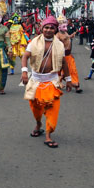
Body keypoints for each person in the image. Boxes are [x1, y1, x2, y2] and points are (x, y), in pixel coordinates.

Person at [21, 16, 71, 147]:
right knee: (35, 108)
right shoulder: (34, 42)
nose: (48, 30)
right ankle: (38, 124)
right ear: (42, 28)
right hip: (36, 81)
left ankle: (48, 135)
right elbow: (25, 56)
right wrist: (24, 71)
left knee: (52, 109)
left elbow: (64, 63)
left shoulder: (59, 45)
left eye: (51, 28)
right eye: (46, 27)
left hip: (52, 81)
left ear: (55, 30)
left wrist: (68, 79)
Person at [55, 15, 81, 93]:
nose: (65, 27)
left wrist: (70, 36)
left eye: (65, 26)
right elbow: (56, 46)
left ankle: (76, 85)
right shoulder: (57, 35)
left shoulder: (65, 33)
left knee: (73, 70)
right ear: (59, 27)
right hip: (61, 56)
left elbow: (67, 39)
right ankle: (58, 83)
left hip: (68, 55)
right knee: (59, 71)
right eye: (64, 26)